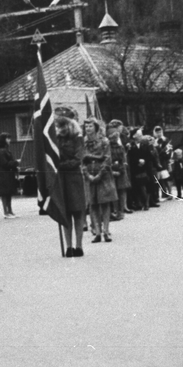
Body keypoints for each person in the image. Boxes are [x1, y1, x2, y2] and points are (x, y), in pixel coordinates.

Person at [53, 108, 88, 257]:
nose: (61, 128)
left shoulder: (78, 139)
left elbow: (78, 159)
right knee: (65, 212)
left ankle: (79, 246)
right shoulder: (56, 140)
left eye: (63, 125)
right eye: (59, 125)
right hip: (61, 179)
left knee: (78, 212)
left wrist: (62, 165)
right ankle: (68, 247)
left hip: (74, 177)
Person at [82, 117, 116, 243]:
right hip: (89, 175)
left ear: (96, 127)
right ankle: (97, 231)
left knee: (105, 203)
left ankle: (106, 231)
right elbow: (82, 160)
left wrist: (99, 175)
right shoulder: (83, 142)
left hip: (103, 175)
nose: (88, 129)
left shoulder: (104, 141)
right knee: (93, 204)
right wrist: (88, 175)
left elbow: (107, 159)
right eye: (86, 127)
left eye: (90, 126)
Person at [107, 122, 131, 220]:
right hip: (111, 171)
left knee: (122, 190)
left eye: (115, 137)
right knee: (114, 191)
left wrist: (121, 168)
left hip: (121, 170)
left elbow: (123, 158)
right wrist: (112, 169)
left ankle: (121, 210)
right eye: (112, 137)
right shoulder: (107, 148)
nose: (114, 139)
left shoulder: (120, 147)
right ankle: (115, 210)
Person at [0, 133, 20, 219]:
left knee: (9, 193)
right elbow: (5, 164)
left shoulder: (7, 151)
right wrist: (16, 162)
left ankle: (10, 211)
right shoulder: (1, 152)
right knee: (5, 194)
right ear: (3, 140)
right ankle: (6, 212)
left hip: (8, 174)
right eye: (7, 139)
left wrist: (16, 168)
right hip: (3, 175)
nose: (9, 140)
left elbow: (10, 163)